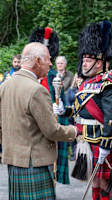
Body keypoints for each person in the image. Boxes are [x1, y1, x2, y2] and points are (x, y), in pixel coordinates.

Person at [0, 42, 76, 200]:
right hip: (35, 162)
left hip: (14, 162)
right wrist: (74, 131)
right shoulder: (36, 90)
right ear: (37, 61)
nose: (50, 63)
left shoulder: (5, 86)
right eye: (48, 59)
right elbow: (52, 130)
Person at [54, 20, 112, 200]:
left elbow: (111, 116)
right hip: (85, 139)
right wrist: (64, 111)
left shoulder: (106, 84)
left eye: (88, 60)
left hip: (100, 140)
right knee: (93, 181)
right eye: (83, 59)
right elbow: (78, 109)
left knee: (104, 183)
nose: (83, 64)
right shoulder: (87, 83)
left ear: (98, 63)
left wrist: (106, 144)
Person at [29, 27, 70, 185]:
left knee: (49, 171)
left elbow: (63, 104)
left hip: (49, 125)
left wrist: (60, 109)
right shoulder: (28, 76)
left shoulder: (54, 76)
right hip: (31, 127)